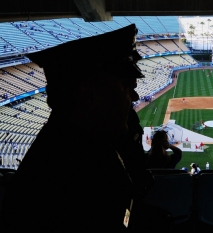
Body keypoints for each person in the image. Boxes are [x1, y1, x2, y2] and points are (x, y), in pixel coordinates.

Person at [0, 24, 146, 232]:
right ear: (88, 93)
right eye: (126, 87)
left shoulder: (73, 149)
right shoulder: (71, 175)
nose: (135, 97)